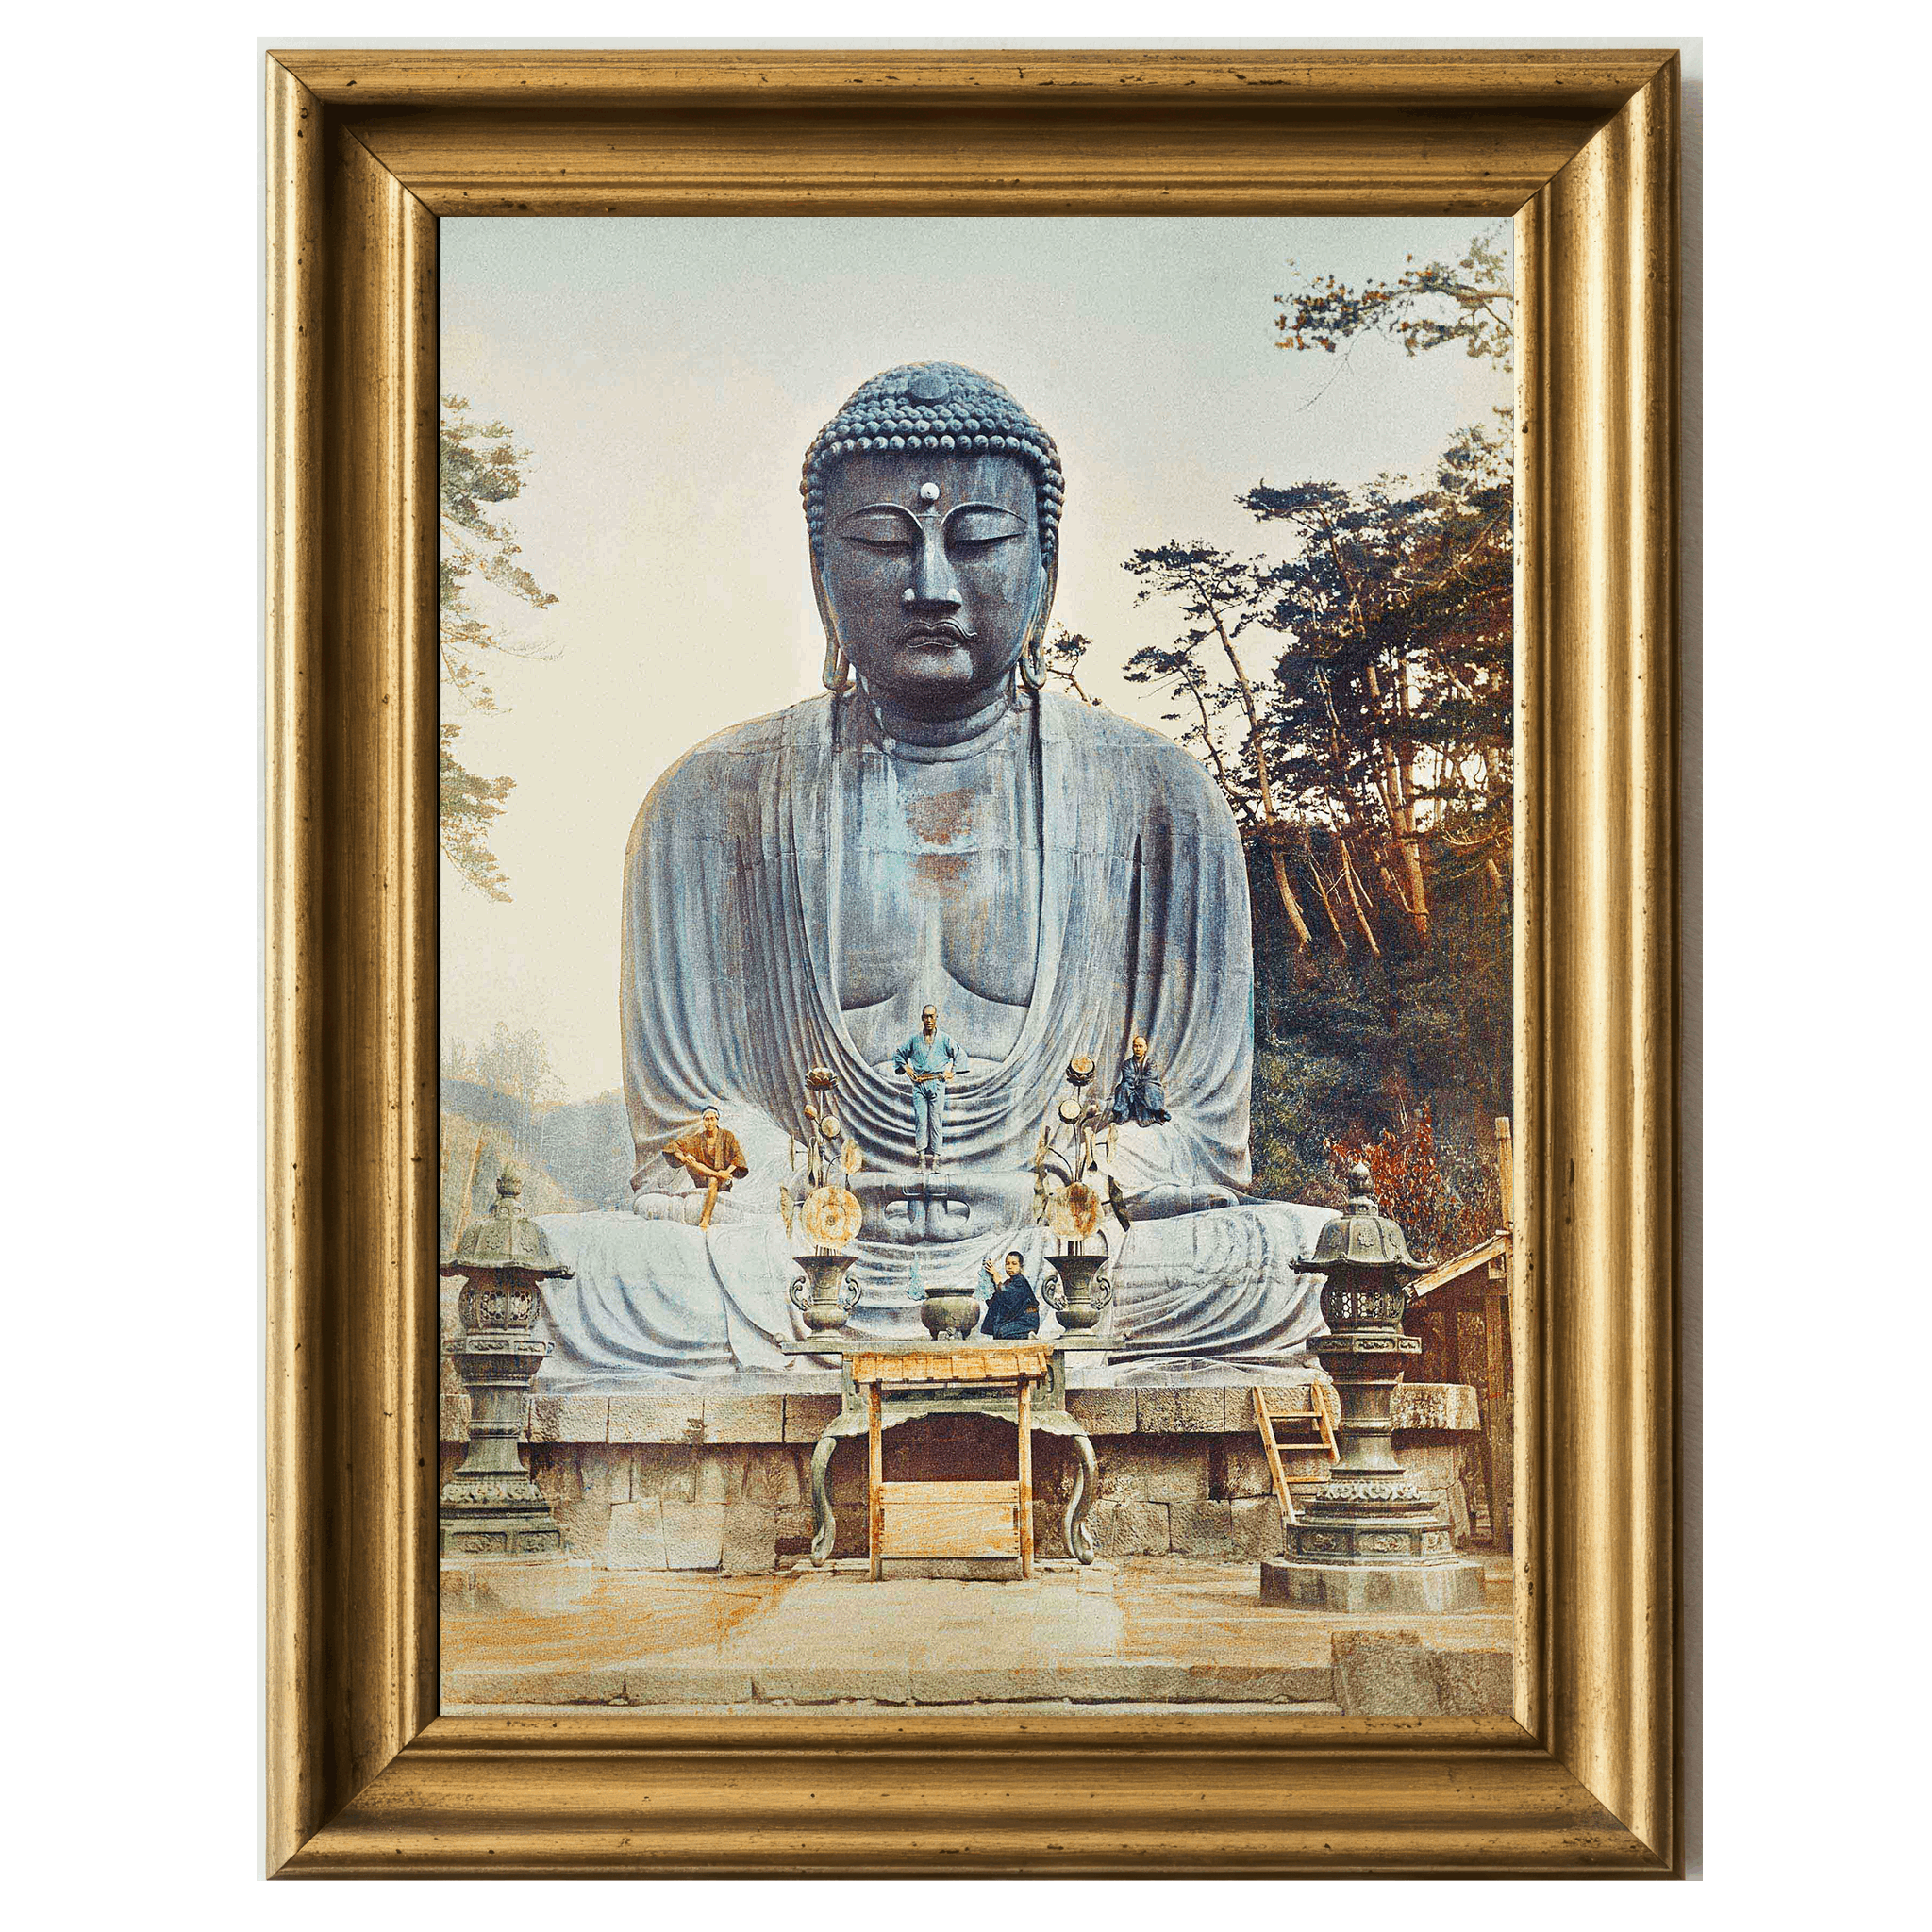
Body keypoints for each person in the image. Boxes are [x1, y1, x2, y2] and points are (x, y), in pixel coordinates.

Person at [892, 1003, 968, 1170]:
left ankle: (935, 1161)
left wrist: (952, 1072)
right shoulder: (914, 1040)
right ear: (921, 1018)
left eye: (931, 1016)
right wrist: (907, 1068)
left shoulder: (944, 1039)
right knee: (921, 1120)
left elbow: (960, 1055)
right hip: (919, 1084)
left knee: (935, 1121)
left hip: (937, 1084)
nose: (928, 1020)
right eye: (925, 1016)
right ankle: (920, 1160)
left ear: (936, 1018)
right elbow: (899, 1054)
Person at [662, 1106, 748, 1231]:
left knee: (713, 1180)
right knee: (691, 1161)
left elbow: (738, 1157)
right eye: (707, 1119)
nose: (710, 1122)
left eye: (712, 1119)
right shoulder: (698, 1138)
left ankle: (705, 1220)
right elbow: (673, 1145)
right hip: (703, 1178)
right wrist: (683, 1158)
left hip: (723, 1180)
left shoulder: (727, 1136)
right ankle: (715, 1174)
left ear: (717, 1119)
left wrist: (726, 1172)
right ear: (703, 1121)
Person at [1108, 1034, 1171, 1128]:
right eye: (1135, 1046)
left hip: (1145, 1091)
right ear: (1132, 1047)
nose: (1137, 1049)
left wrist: (1138, 1082)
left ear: (1145, 1048)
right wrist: (1140, 1081)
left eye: (1140, 1046)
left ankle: (1152, 1115)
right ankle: (1123, 1115)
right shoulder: (1126, 1064)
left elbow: (1150, 1077)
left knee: (1149, 1086)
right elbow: (1128, 1077)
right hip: (1131, 1091)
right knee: (1123, 1086)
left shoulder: (1151, 1063)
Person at [979, 1250, 1040, 1341]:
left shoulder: (1020, 1281)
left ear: (1021, 1268)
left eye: (1014, 1264)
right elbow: (998, 1301)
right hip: (1015, 1319)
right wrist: (990, 1281)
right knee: (998, 1330)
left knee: (1002, 1332)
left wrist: (997, 1279)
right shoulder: (1008, 1283)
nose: (1010, 1267)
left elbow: (1007, 1295)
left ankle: (1027, 1336)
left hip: (1026, 1321)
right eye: (1007, 1264)